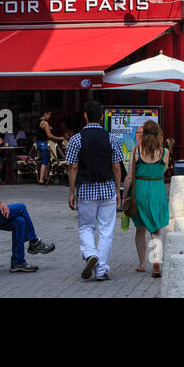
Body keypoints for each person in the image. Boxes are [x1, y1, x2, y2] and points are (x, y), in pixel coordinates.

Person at [67, 102, 124, 281]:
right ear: (101, 117)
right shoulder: (111, 138)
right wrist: (118, 190)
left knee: (86, 226)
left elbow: (73, 167)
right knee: (106, 230)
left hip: (86, 189)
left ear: (85, 116)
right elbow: (116, 167)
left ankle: (90, 253)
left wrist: (71, 191)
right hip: (107, 188)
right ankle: (101, 270)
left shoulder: (76, 139)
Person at [124, 119, 169, 278]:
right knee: (156, 229)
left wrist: (124, 196)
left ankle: (142, 264)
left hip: (140, 190)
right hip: (157, 189)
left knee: (140, 229)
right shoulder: (164, 152)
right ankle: (156, 261)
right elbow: (164, 171)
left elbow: (129, 177)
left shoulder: (136, 151)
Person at [34, 110, 63, 186]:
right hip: (44, 143)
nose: (50, 116)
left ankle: (45, 177)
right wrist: (59, 138)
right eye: (49, 114)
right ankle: (41, 179)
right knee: (45, 161)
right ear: (45, 114)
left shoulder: (38, 122)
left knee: (47, 160)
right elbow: (49, 135)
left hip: (39, 143)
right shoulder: (45, 123)